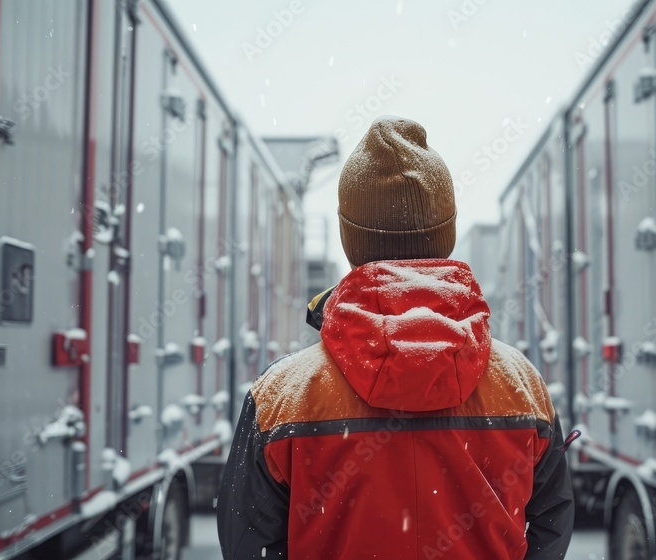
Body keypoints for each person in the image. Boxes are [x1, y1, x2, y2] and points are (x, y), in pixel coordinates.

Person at [216, 116, 574, 559]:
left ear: (351, 239)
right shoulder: (522, 386)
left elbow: (247, 544)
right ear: (445, 233)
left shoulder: (282, 395)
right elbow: (550, 526)